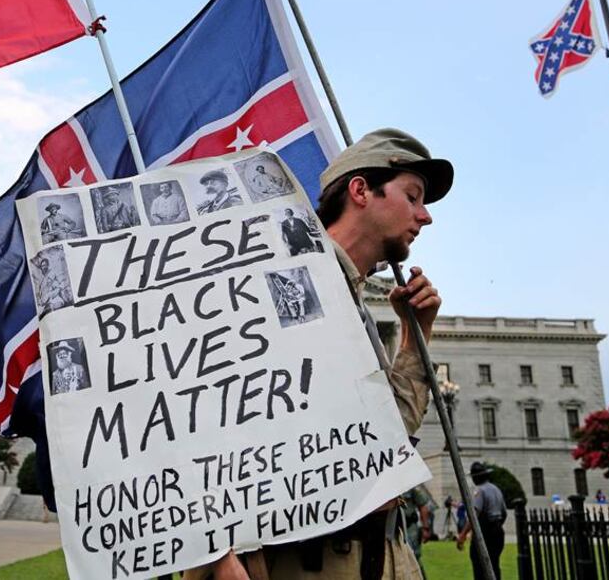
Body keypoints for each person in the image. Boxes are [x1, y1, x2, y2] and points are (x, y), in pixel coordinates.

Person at [188, 128, 452, 579]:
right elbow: (197, 415)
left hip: (378, 555)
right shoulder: (275, 276)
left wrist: (414, 334)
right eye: (412, 197)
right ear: (361, 191)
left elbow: (388, 436)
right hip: (300, 561)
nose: (424, 216)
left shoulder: (357, 303)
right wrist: (214, 555)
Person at [457, 462, 506, 580]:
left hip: (485, 532)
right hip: (498, 532)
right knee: (494, 565)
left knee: (479, 565)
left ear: (476, 477)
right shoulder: (496, 489)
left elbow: (474, 516)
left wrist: (463, 534)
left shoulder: (480, 491)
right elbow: (504, 513)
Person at [401, 486, 433, 577]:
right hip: (393, 529)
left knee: (413, 557)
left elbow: (423, 506)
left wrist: (425, 528)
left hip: (409, 528)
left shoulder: (410, 485)